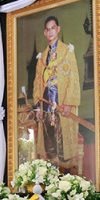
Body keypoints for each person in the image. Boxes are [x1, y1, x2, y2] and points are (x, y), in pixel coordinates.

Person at [32, 16, 81, 171]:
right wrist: (38, 107)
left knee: (62, 142)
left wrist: (68, 103)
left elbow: (73, 78)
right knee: (49, 142)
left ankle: (66, 175)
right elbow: (37, 83)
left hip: (61, 104)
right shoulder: (41, 58)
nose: (50, 31)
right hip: (46, 103)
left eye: (53, 28)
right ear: (45, 33)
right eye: (47, 29)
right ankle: (53, 174)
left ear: (58, 29)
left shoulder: (67, 52)